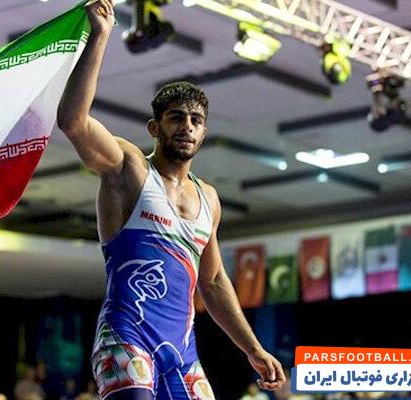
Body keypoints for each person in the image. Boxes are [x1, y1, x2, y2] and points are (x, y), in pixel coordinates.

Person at [57, 1, 286, 399]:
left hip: (182, 353)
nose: (187, 127)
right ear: (155, 127)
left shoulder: (209, 198)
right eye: (177, 117)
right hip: (126, 339)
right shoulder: (128, 169)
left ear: (204, 133)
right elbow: (73, 121)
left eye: (196, 121)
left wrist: (253, 348)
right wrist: (100, 36)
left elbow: (213, 281)